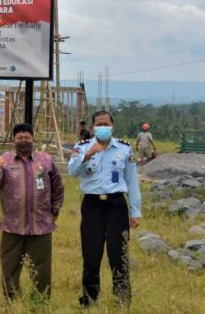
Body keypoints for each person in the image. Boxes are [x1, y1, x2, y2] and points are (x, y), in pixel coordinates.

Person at [67, 110, 142, 308]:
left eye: (106, 124)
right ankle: (89, 300)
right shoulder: (82, 147)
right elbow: (72, 172)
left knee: (119, 255)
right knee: (91, 255)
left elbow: (132, 182)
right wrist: (86, 156)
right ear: (92, 128)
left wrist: (135, 211)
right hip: (92, 206)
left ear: (112, 126)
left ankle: (122, 300)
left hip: (116, 205)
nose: (102, 127)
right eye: (98, 124)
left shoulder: (124, 149)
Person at [0, 123, 64, 300]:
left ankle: (40, 302)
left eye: (27, 138)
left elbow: (58, 187)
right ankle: (12, 302)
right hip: (12, 226)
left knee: (42, 268)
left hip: (41, 226)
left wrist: (55, 211)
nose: (23, 141)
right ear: (13, 141)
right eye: (19, 138)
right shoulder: (4, 160)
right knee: (9, 267)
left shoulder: (46, 160)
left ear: (33, 139)